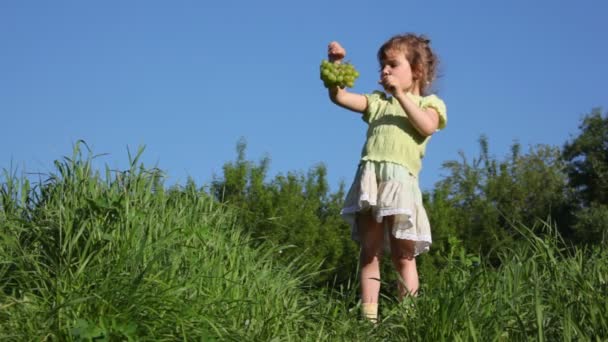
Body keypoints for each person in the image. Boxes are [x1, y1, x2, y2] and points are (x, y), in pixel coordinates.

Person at [324, 33, 447, 323]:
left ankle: (407, 320)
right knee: (369, 252)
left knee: (403, 256)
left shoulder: (430, 104)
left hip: (400, 184)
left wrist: (402, 96)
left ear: (416, 71)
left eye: (392, 64)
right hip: (372, 181)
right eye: (382, 66)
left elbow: (427, 127)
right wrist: (336, 68)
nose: (384, 71)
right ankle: (368, 321)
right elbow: (339, 96)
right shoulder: (377, 102)